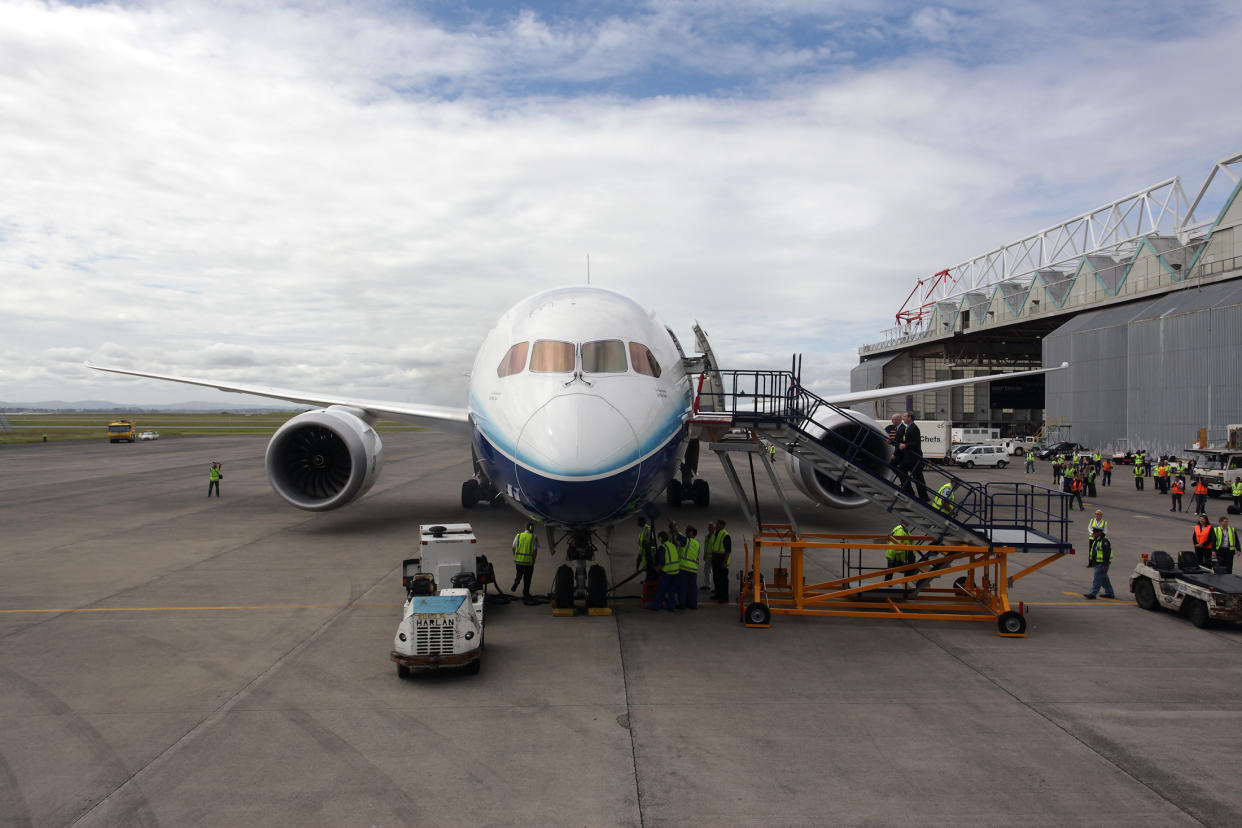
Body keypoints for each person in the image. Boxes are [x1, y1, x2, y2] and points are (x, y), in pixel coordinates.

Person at [897, 411, 926, 501]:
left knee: (918, 477)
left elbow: (915, 442)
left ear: (910, 418)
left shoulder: (914, 428)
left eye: (904, 416)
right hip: (908, 457)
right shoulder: (908, 428)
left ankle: (923, 497)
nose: (903, 418)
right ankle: (910, 492)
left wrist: (906, 445)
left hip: (914, 457)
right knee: (902, 472)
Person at [1083, 526, 1115, 599]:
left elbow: (1107, 553)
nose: (1093, 534)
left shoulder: (1104, 541)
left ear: (1099, 533)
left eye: (1094, 532)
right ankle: (1110, 593)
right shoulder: (1097, 540)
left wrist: (1105, 564)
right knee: (1104, 579)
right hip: (1098, 563)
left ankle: (1093, 593)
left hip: (1101, 564)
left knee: (1097, 578)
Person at [654, 527, 682, 611]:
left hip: (667, 572)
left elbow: (662, 561)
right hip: (676, 571)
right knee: (671, 590)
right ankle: (671, 606)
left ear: (660, 539)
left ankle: (657, 606)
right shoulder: (672, 545)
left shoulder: (663, 547)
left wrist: (657, 569)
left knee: (661, 589)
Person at [511, 522, 539, 598]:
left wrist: (516, 556)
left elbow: (513, 548)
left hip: (518, 561)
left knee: (519, 574)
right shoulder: (533, 537)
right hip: (528, 562)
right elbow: (535, 551)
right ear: (531, 528)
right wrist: (533, 560)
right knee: (527, 579)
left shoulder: (518, 536)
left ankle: (516, 582)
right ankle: (526, 593)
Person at [707, 520, 732, 603]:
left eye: (718, 524)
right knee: (716, 578)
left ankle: (724, 597)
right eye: (716, 524)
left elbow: (728, 550)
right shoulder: (716, 534)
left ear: (722, 525)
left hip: (722, 560)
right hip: (715, 559)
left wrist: (725, 561)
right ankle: (718, 594)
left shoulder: (726, 535)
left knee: (723, 580)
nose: (716, 525)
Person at [679, 526, 701, 609]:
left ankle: (682, 604)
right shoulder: (698, 544)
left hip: (684, 568)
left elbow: (677, 534)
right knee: (692, 588)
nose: (685, 533)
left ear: (691, 533)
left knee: (683, 586)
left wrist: (672, 525)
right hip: (694, 569)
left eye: (687, 531)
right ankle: (692, 604)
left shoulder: (686, 541)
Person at [636, 517, 658, 582]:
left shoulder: (648, 529)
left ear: (642, 522)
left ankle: (649, 581)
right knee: (647, 568)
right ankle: (648, 580)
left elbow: (653, 541)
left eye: (638, 522)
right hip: (644, 552)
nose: (637, 523)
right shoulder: (643, 530)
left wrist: (648, 548)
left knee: (649, 568)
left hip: (649, 552)